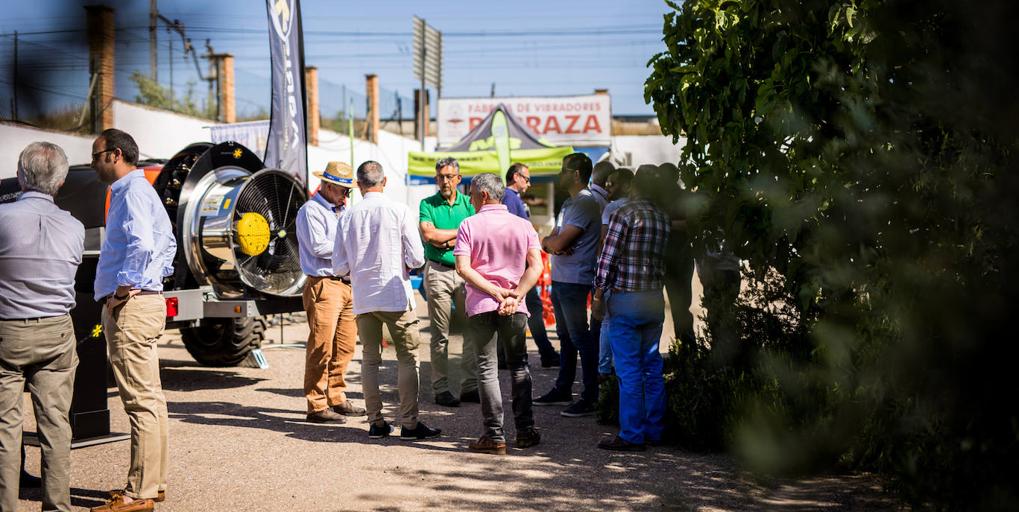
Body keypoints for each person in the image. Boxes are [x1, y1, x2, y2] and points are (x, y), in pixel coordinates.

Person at [91, 129, 175, 511]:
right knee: (152, 399)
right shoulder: (142, 192)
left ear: (116, 155)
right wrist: (151, 279)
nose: (94, 163)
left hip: (132, 306)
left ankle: (138, 493)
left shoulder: (131, 193)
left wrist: (124, 289)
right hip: (147, 301)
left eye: (96, 156)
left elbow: (141, 243)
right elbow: (167, 242)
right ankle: (152, 483)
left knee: (140, 401)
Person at [0, 142, 84, 512]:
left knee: (5, 427)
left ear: (20, 175)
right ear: (61, 181)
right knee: (55, 425)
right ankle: (58, 506)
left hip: (7, 331)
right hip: (56, 332)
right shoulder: (75, 226)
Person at [333, 161, 441, 441]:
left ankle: (376, 422)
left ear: (358, 185)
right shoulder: (399, 210)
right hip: (394, 294)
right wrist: (403, 265)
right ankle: (410, 422)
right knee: (408, 358)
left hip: (364, 296)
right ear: (384, 182)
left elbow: (339, 267)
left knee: (369, 360)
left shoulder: (348, 216)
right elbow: (417, 258)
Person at [454, 173, 543, 455]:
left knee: (487, 368)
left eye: (470, 195)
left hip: (482, 304)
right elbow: (536, 266)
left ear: (482, 195)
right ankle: (525, 431)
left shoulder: (469, 224)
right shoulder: (523, 225)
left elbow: (463, 268)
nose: (468, 200)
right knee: (519, 366)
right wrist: (515, 294)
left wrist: (494, 292)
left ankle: (494, 435)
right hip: (515, 306)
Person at [593, 167, 671, 451]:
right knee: (652, 367)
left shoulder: (623, 214)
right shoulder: (662, 217)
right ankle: (655, 429)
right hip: (653, 298)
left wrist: (599, 295)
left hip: (626, 298)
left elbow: (607, 259)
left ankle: (632, 434)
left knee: (628, 371)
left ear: (634, 185)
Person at [534, 153, 603, 418]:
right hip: (563, 278)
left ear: (576, 174)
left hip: (575, 279)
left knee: (579, 337)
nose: (560, 175)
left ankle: (590, 396)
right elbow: (550, 239)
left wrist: (553, 243)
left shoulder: (584, 204)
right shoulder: (569, 204)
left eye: (564, 170)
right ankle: (563, 388)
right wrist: (552, 242)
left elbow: (558, 243)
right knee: (566, 336)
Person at [296, 161, 365, 424]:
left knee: (345, 346)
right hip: (324, 283)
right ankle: (316, 404)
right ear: (326, 186)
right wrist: (352, 248)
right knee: (321, 345)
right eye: (342, 190)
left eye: (348, 191)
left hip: (346, 283)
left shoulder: (342, 210)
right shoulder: (310, 211)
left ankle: (335, 396)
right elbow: (318, 247)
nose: (345, 196)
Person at [418, 157, 478, 407]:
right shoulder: (427, 203)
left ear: (458, 179)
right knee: (440, 333)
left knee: (470, 330)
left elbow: (477, 235)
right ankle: (441, 387)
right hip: (438, 271)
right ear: (436, 178)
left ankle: (470, 385)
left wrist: (447, 239)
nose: (445, 181)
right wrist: (461, 233)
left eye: (449, 176)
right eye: (441, 176)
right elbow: (429, 235)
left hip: (466, 273)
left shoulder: (469, 203)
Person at [503, 163, 559, 368]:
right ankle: (545, 352)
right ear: (516, 177)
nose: (529, 183)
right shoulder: (509, 198)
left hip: (521, 264)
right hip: (519, 265)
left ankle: (543, 352)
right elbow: (510, 232)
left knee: (524, 307)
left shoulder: (513, 198)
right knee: (531, 307)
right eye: (526, 178)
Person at [595, 168, 634, 380]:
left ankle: (604, 369)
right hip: (636, 280)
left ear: (627, 186)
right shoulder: (647, 209)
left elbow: (604, 242)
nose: (608, 187)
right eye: (607, 183)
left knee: (608, 323)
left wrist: (600, 282)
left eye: (613, 184)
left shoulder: (612, 208)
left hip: (614, 274)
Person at [656, 163, 696, 345]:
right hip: (675, 259)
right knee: (677, 309)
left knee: (675, 309)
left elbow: (692, 225)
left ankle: (685, 351)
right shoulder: (658, 199)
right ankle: (686, 351)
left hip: (673, 259)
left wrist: (665, 223)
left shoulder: (681, 198)